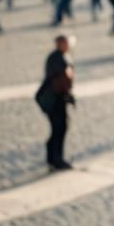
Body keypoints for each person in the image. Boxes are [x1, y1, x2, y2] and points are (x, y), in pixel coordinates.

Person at [36, 34, 75, 171]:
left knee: (57, 128)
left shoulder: (56, 57)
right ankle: (57, 158)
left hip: (55, 98)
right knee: (59, 128)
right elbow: (62, 80)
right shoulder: (59, 58)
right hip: (55, 99)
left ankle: (52, 157)